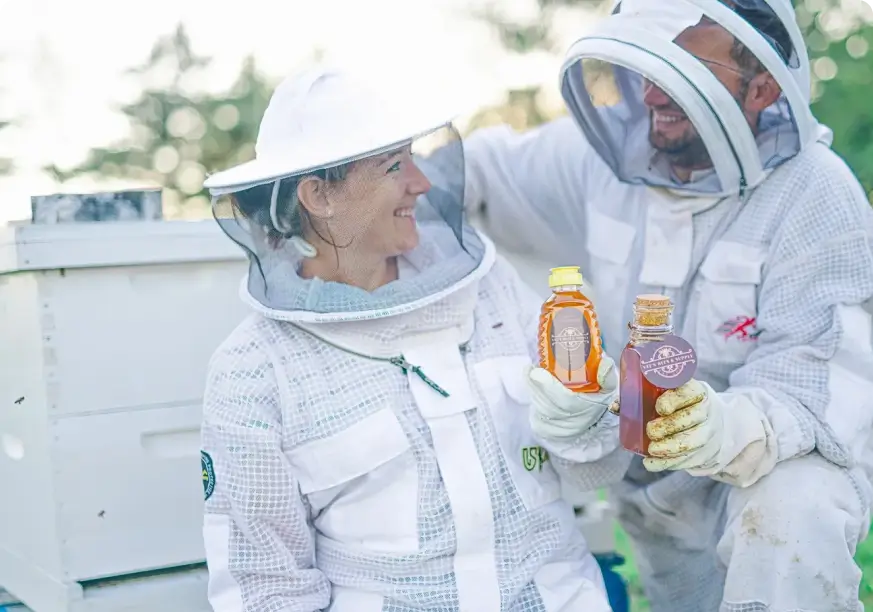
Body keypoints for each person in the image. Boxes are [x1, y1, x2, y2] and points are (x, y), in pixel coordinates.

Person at [462, 0, 873, 610]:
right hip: (651, 505)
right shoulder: (600, 163)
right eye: (649, 70)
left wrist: (720, 427)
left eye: (682, 75)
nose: (653, 96)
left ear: (760, 89)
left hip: (764, 479)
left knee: (795, 505)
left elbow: (815, 389)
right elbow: (482, 175)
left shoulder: (817, 193)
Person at [198, 66, 629, 611]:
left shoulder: (492, 290)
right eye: (394, 165)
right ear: (318, 195)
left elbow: (595, 471)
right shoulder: (254, 369)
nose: (422, 183)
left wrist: (587, 420)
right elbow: (265, 586)